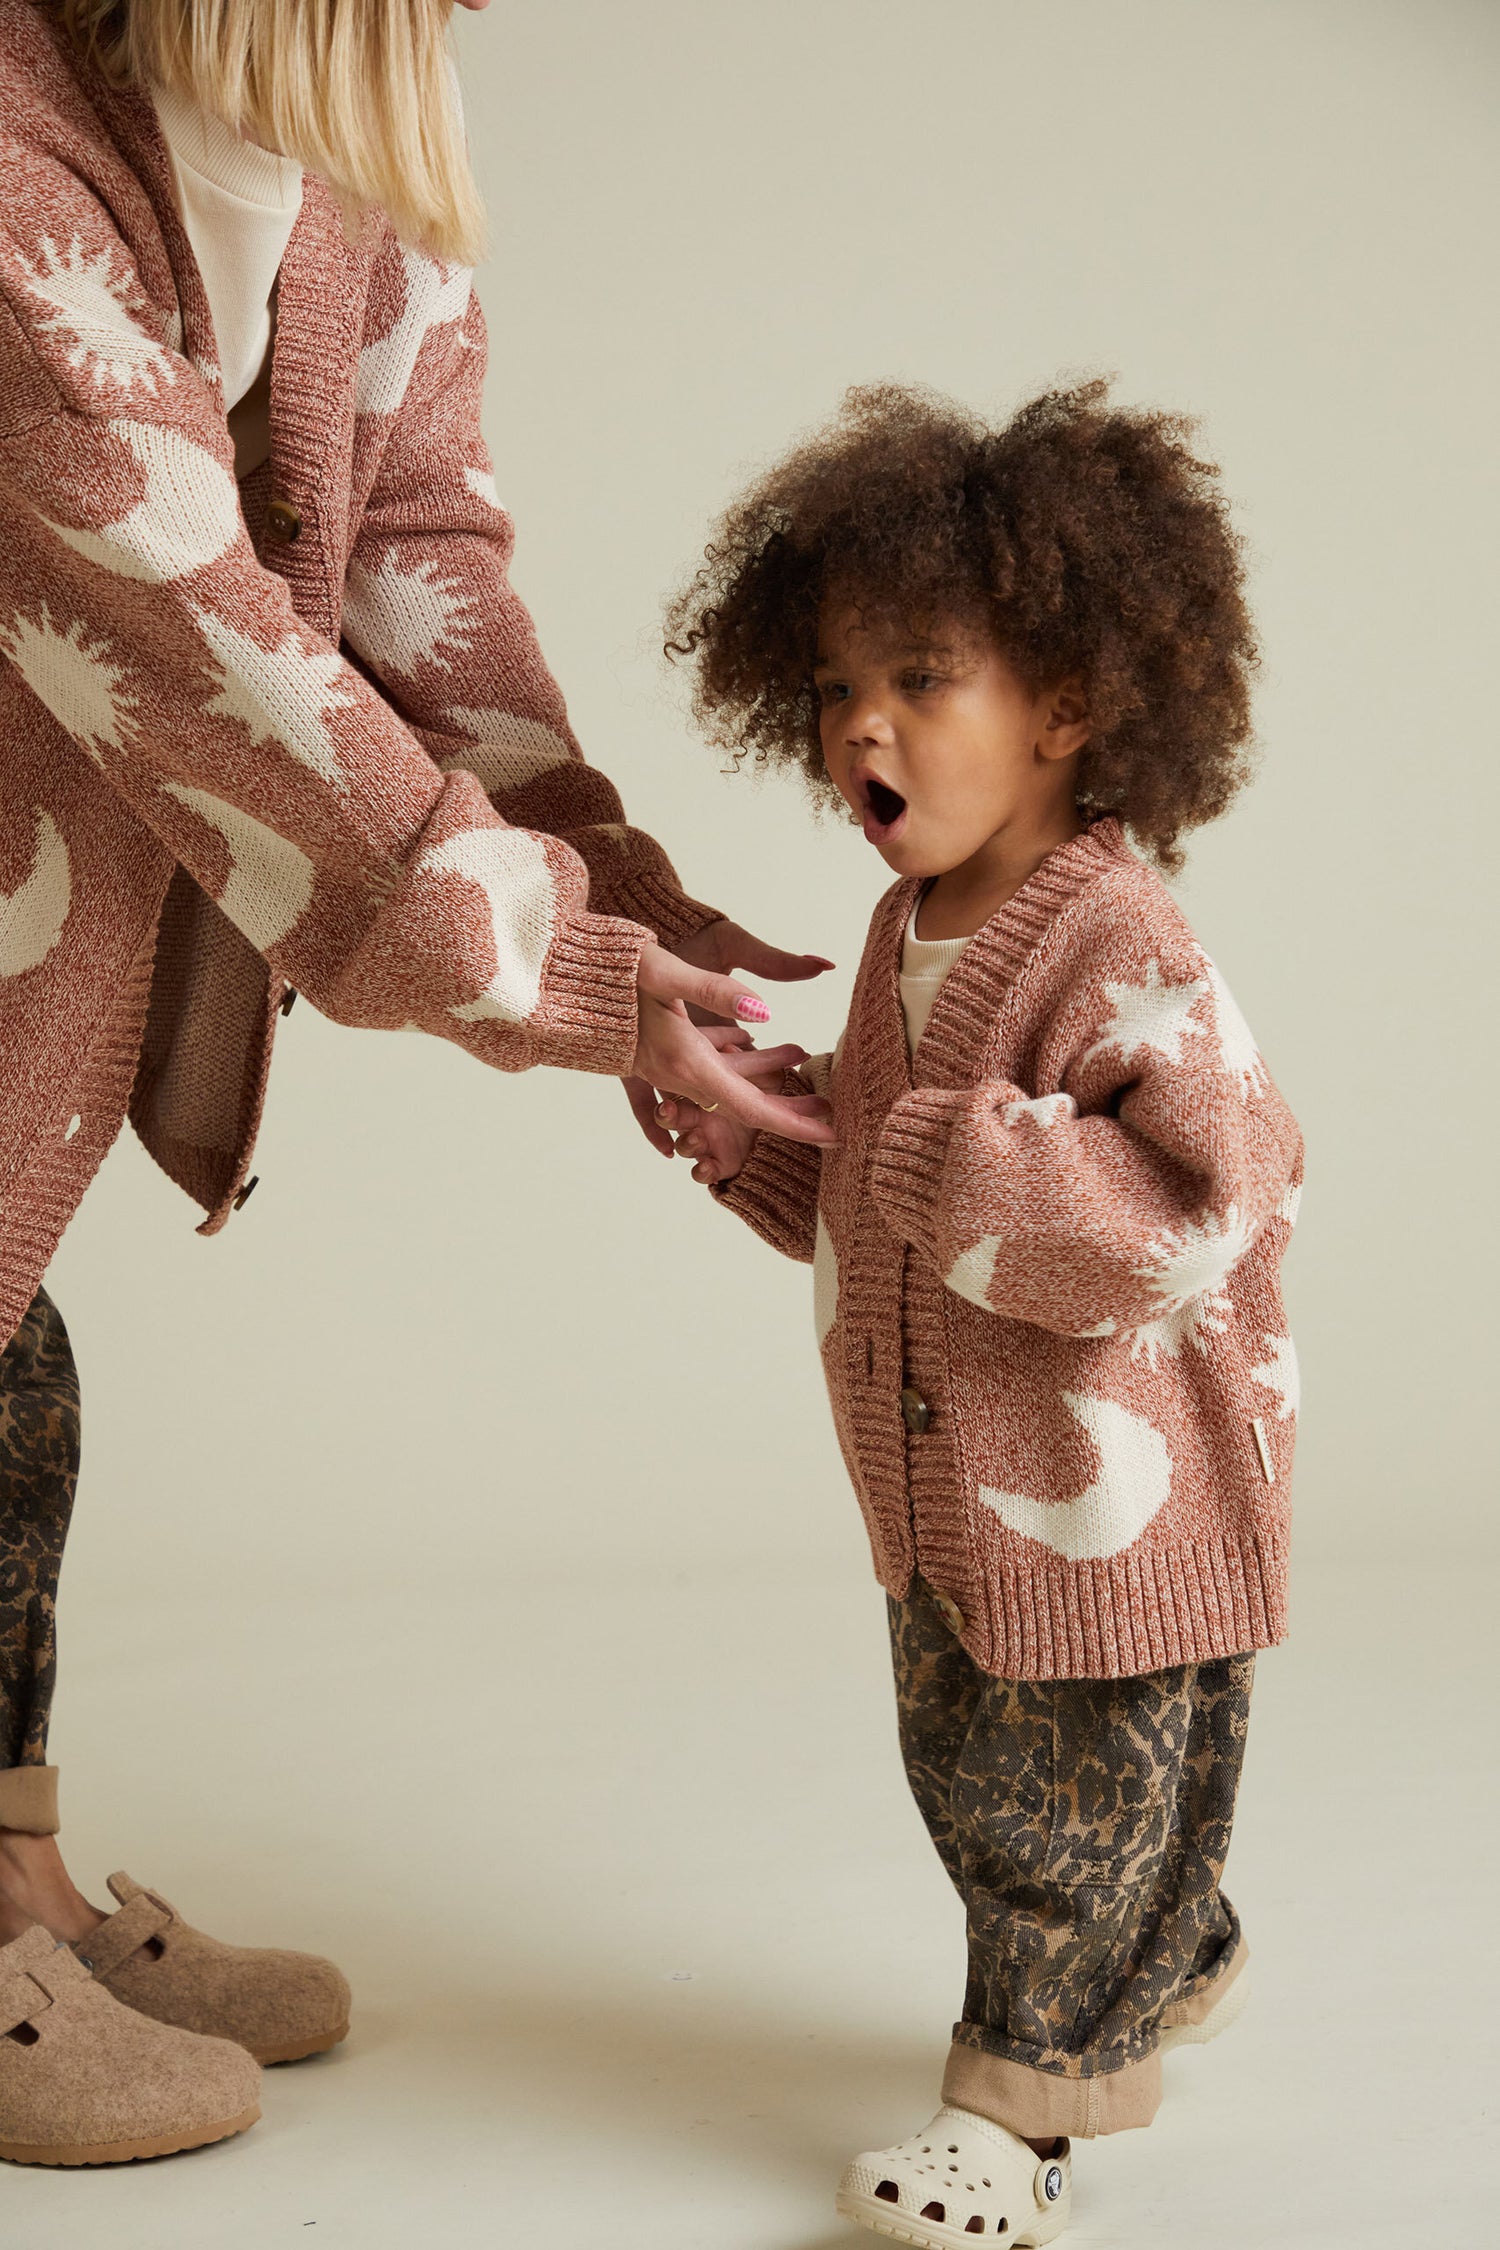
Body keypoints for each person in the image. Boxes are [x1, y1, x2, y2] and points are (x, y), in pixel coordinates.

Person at [0, 0, 830, 2169]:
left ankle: (18, 1891)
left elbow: (417, 567)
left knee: (14, 1394)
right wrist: (578, 979)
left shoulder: (349, 146)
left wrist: (629, 907)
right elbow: (222, 659)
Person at [659, 381, 1303, 2246]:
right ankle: (1171, 1941)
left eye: (922, 678)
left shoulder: (1120, 939)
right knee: (979, 1771)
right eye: (836, 687)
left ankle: (1020, 2111)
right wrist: (764, 1142)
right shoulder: (908, 931)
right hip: (951, 1495)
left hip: (1116, 1504)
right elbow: (904, 1209)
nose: (862, 722)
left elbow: (1213, 1194)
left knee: (1047, 1808)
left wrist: (957, 1155)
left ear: (1069, 706)